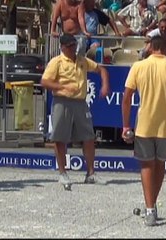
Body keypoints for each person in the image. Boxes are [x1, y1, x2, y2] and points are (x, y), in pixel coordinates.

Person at [121, 36, 166, 226]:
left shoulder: (138, 66)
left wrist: (126, 125)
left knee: (147, 165)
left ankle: (150, 207)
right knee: (160, 164)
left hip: (144, 124)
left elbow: (126, 98)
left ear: (151, 48)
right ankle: (152, 205)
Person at [41, 34, 110, 186]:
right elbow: (45, 81)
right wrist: (62, 87)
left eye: (74, 45)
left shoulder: (82, 60)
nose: (73, 48)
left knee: (89, 137)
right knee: (60, 138)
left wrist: (105, 85)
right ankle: (62, 173)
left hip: (80, 102)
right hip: (62, 101)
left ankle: (91, 173)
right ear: (63, 47)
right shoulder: (56, 62)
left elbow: (101, 69)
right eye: (70, 46)